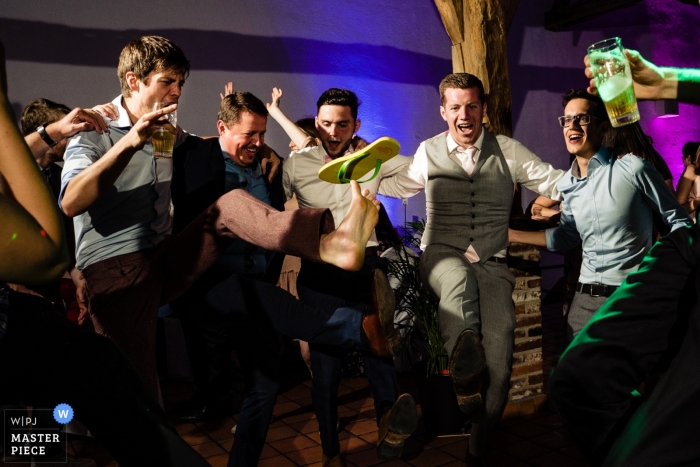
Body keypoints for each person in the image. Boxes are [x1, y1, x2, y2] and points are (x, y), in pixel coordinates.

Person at [58, 35, 387, 405]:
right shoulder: (94, 131)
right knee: (141, 399)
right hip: (117, 270)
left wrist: (248, 138)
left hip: (164, 256)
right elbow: (71, 201)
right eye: (168, 81)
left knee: (229, 205)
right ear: (134, 81)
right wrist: (129, 141)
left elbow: (204, 142)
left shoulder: (166, 130)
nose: (177, 91)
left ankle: (331, 244)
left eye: (181, 82)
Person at [0, 38, 215, 467]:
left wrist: (48, 133)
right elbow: (56, 228)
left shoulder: (153, 135)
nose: (82, 132)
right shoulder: (76, 152)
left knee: (85, 400)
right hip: (34, 298)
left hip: (40, 302)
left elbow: (56, 237)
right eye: (168, 81)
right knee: (61, 418)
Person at [376, 72, 565, 465]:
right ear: (444, 110)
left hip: (493, 263)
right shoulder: (428, 151)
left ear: (483, 109)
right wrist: (368, 169)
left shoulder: (508, 150)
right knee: (457, 279)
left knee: (499, 355)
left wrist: (574, 194)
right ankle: (462, 372)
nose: (465, 114)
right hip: (441, 255)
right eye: (456, 107)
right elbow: (399, 186)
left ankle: (478, 446)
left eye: (473, 106)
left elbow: (556, 180)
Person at [283, 88, 417, 467]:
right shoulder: (297, 165)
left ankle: (390, 437)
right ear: (316, 121)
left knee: (380, 358)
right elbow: (273, 203)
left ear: (355, 124)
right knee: (325, 372)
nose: (333, 131)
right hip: (321, 275)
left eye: (342, 124)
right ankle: (329, 451)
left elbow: (418, 172)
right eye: (325, 123)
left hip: (367, 270)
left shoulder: (372, 158)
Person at [510, 89, 690, 341]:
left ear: (602, 127)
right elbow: (566, 237)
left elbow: (678, 219)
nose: (572, 125)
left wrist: (663, 268)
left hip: (629, 296)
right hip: (584, 300)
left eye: (582, 119)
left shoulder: (632, 169)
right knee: (576, 377)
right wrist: (510, 235)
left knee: (624, 377)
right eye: (566, 120)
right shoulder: (568, 185)